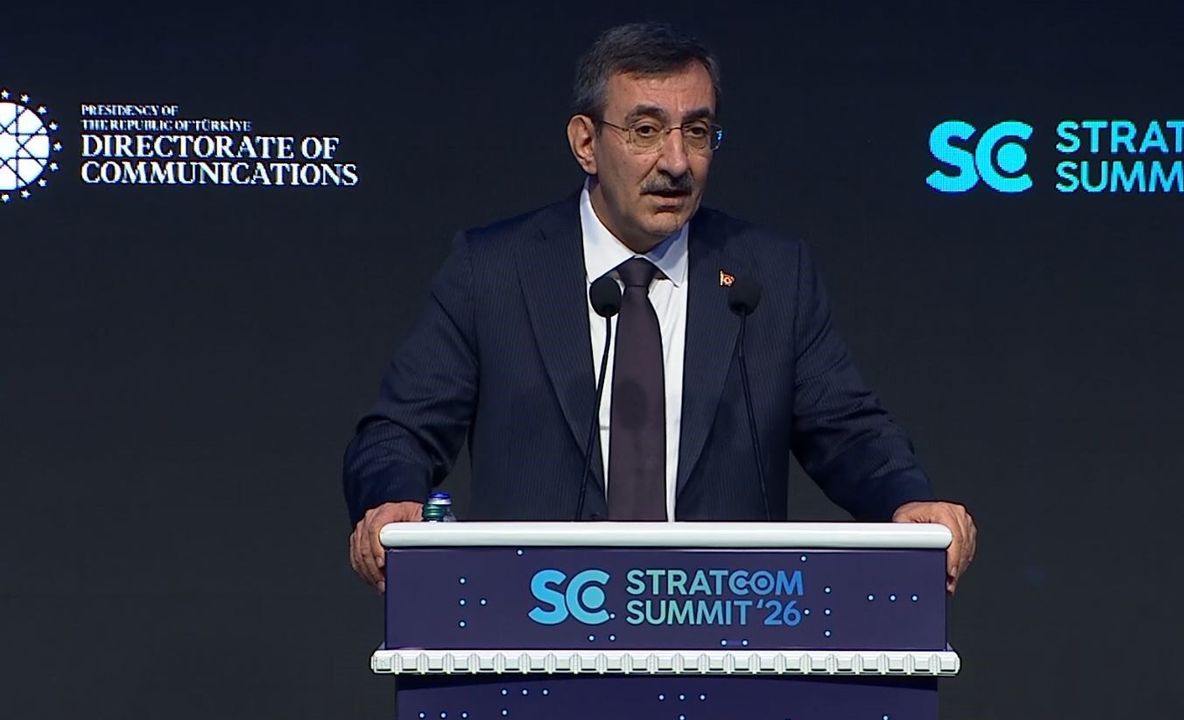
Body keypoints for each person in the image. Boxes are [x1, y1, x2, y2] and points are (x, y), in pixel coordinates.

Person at [344, 22, 976, 595]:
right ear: (586, 142)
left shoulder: (768, 276)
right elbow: (399, 431)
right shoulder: (494, 271)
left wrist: (906, 501)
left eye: (696, 133)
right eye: (645, 131)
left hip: (726, 628)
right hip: (536, 622)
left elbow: (849, 432)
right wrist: (393, 503)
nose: (676, 163)